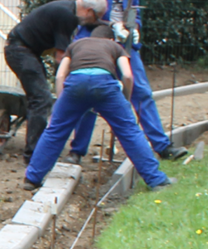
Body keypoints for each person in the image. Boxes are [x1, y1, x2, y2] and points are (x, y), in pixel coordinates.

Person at [73, 0, 188, 161]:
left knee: (141, 91)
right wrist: (110, 25)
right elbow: (85, 15)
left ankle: (162, 146)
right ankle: (77, 151)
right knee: (89, 94)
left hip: (124, 46)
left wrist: (136, 31)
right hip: (97, 44)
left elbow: (136, 14)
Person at [23, 24, 171, 191]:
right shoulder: (114, 46)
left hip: (75, 85)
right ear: (110, 39)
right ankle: (156, 180)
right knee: (129, 131)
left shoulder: (75, 45)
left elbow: (60, 75)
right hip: (105, 86)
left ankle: (32, 178)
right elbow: (128, 75)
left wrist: (62, 101)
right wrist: (125, 100)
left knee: (55, 131)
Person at [2, 0, 102, 160]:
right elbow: (61, 57)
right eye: (96, 17)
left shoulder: (67, 8)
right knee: (42, 99)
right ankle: (34, 155)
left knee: (40, 97)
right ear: (89, 10)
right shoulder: (67, 15)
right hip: (20, 51)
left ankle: (36, 150)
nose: (94, 21)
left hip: (24, 50)